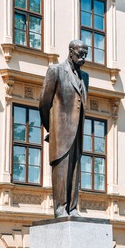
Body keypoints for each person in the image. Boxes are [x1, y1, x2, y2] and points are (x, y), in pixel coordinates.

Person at [39, 40, 89, 218]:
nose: (83, 57)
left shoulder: (85, 77)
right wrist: (52, 129)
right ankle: (61, 207)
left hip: (77, 131)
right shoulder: (56, 71)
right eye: (80, 53)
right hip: (60, 132)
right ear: (70, 51)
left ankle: (73, 208)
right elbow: (44, 103)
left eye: (86, 53)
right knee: (61, 170)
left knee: (75, 170)